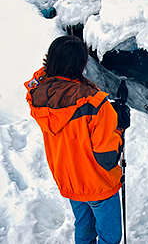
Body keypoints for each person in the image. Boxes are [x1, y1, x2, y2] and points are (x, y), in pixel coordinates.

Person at [25, 35, 128, 244]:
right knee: (110, 237)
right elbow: (107, 157)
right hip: (97, 183)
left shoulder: (38, 95)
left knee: (84, 227)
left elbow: (39, 77)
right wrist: (118, 125)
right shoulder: (95, 104)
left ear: (50, 60)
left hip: (69, 179)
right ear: (81, 64)